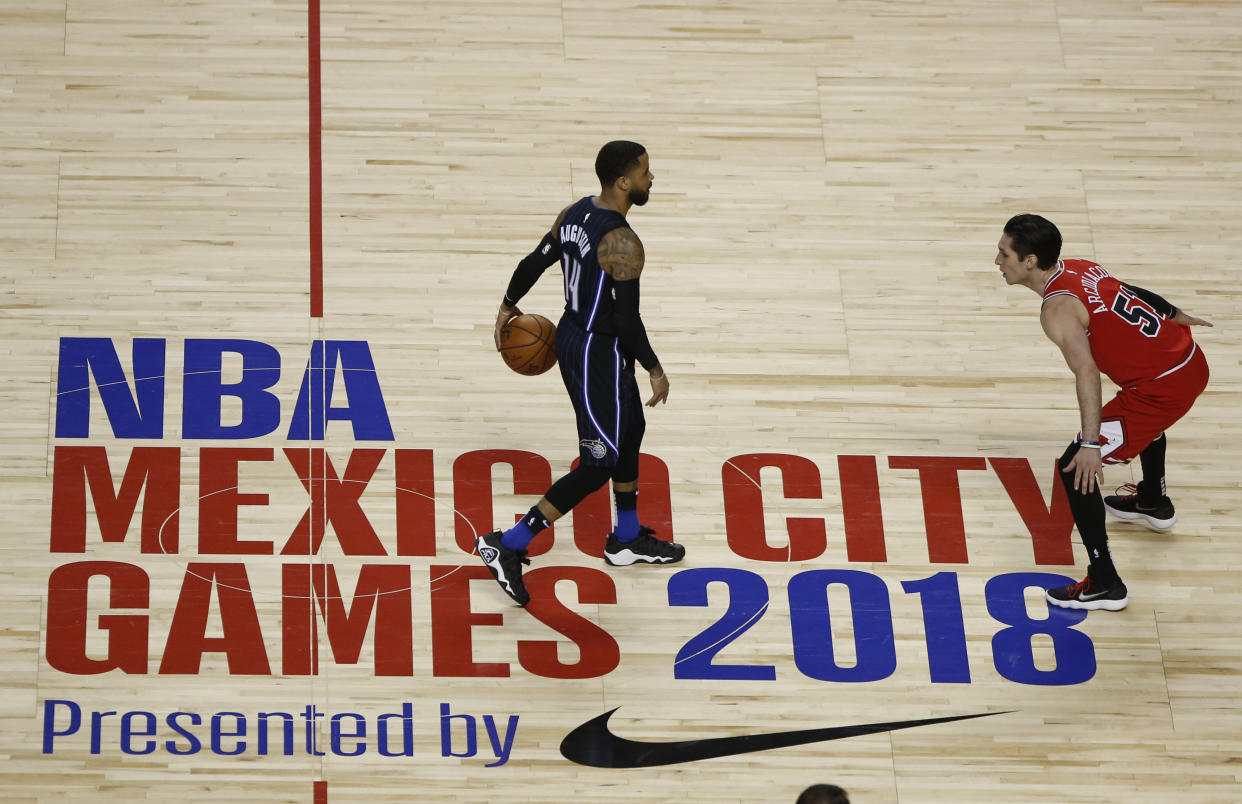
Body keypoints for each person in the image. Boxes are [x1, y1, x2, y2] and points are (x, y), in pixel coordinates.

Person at [477, 141, 686, 606]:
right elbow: (627, 322)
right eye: (646, 172)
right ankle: (508, 544)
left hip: (580, 336)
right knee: (597, 464)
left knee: (631, 427)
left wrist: (509, 302)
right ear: (623, 181)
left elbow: (536, 260)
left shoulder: (574, 213)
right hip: (596, 352)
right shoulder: (623, 243)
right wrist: (655, 369)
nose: (653, 178)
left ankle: (626, 537)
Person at [996, 214, 1211, 611]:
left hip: (1161, 389)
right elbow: (1130, 290)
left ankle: (1104, 581)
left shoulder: (1057, 310)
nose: (997, 260)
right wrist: (1175, 313)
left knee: (1072, 466)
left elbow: (1087, 372)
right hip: (1188, 360)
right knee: (1135, 420)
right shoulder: (1080, 266)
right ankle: (1152, 502)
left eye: (1004, 252)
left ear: (1029, 261)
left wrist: (1091, 444)